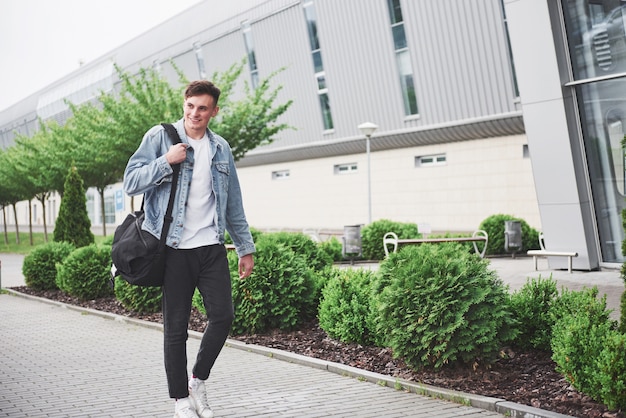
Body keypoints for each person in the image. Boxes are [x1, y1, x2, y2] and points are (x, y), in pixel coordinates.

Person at [123, 80, 256, 418]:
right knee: (176, 328)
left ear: (214, 111)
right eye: (191, 106)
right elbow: (130, 181)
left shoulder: (221, 148)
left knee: (223, 316)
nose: (195, 113)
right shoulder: (161, 137)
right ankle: (180, 400)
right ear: (184, 104)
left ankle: (198, 379)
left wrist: (245, 247)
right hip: (173, 248)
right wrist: (166, 161)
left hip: (211, 246)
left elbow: (233, 204)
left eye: (203, 108)